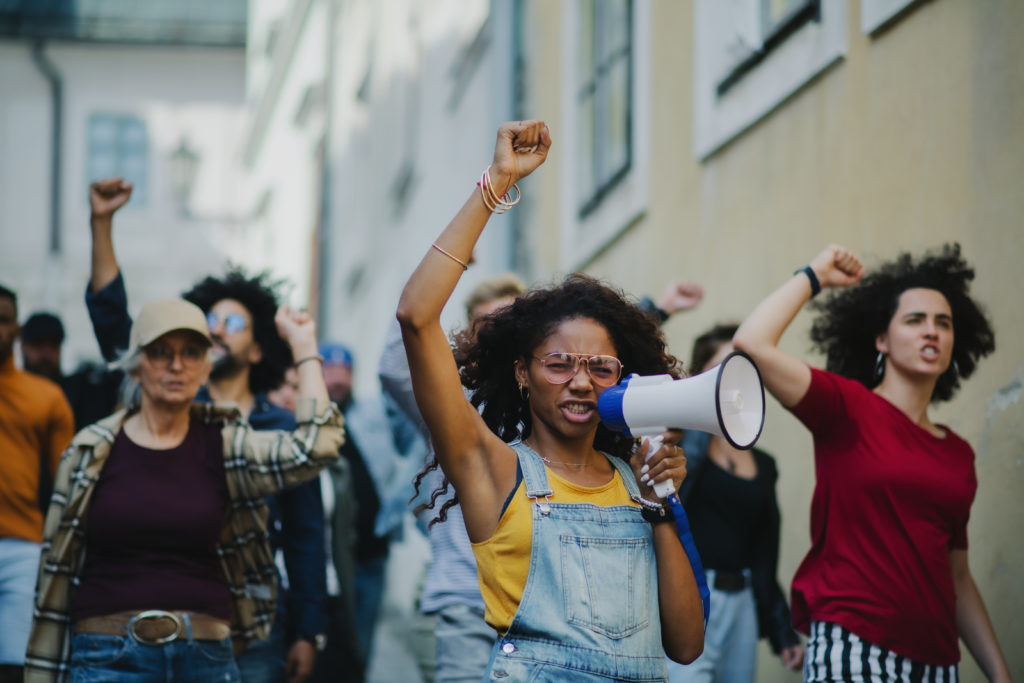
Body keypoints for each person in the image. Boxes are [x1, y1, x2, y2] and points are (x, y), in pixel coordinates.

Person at [396, 120, 705, 681]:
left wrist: (663, 506)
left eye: (600, 367)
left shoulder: (640, 483)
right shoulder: (494, 468)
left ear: (620, 378)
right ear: (522, 373)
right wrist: (495, 186)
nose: (581, 382)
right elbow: (417, 317)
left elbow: (685, 646)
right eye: (559, 363)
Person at [84, 177, 330, 683]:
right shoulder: (174, 412)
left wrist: (308, 630)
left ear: (259, 349)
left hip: (258, 617)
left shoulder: (278, 429)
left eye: (233, 324)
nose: (217, 329)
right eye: (210, 322)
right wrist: (102, 224)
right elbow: (116, 332)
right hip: (172, 612)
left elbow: (307, 536)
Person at [24, 298, 344, 683]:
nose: (177, 365)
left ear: (207, 366)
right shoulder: (89, 450)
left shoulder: (225, 444)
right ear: (136, 366)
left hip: (205, 657)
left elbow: (316, 447)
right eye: (161, 352)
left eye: (191, 352)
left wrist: (305, 347)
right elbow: (55, 575)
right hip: (108, 657)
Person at [732, 244, 1011, 682]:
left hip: (939, 664)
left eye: (943, 322)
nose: (931, 332)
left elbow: (957, 577)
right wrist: (815, 275)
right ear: (881, 339)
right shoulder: (845, 406)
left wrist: (1000, 673)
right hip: (853, 646)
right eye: (914, 320)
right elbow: (751, 343)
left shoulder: (959, 455)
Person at [667, 324, 802, 683]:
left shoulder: (764, 463)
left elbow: (763, 552)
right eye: (722, 367)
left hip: (742, 603)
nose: (733, 378)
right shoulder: (681, 450)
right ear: (699, 377)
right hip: (691, 599)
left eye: (743, 367)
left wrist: (781, 630)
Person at [310, 343, 424, 683]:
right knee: (330, 642)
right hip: (326, 556)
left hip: (371, 550)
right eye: (329, 371)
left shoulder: (373, 413)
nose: (337, 379)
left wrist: (401, 497)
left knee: (362, 639)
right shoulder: (311, 419)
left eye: (344, 372)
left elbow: (418, 436)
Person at [0, 286, 75, 683]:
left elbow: (68, 484)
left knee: (20, 668)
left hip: (24, 547)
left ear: (16, 329)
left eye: (4, 318)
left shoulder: (46, 397)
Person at [20, 311, 125, 431]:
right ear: (23, 346)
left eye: (53, 345)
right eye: (38, 344)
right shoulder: (12, 393)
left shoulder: (78, 391)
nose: (46, 353)